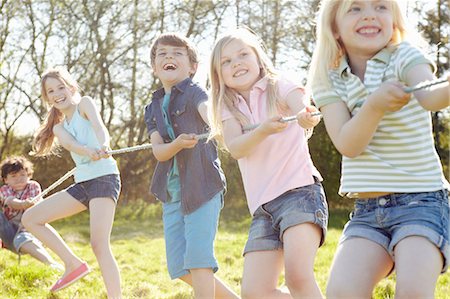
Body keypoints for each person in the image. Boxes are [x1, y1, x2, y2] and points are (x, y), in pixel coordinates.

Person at [308, 0, 450, 298]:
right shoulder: (329, 77)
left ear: (395, 21)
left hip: (422, 204)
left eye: (381, 6)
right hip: (368, 212)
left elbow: (431, 97)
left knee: (412, 291)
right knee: (341, 292)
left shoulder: (405, 56)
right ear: (334, 27)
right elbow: (349, 143)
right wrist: (373, 106)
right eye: (355, 8)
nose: (370, 14)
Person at [208, 27, 328, 299]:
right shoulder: (228, 105)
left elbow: (303, 106)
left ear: (258, 58)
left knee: (298, 277)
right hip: (263, 209)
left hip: (300, 194)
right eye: (226, 61)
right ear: (219, 75)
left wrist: (305, 115)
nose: (236, 62)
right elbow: (236, 147)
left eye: (242, 55)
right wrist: (263, 129)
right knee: (255, 293)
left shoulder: (277, 84)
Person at [144, 32, 238, 299]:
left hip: (202, 187)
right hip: (171, 193)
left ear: (192, 67)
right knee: (180, 267)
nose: (169, 57)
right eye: (162, 54)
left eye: (176, 53)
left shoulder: (195, 92)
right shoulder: (151, 107)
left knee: (198, 259)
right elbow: (159, 152)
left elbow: (207, 110)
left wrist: (219, 125)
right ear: (154, 67)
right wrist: (176, 145)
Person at [21, 67, 122, 298]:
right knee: (31, 218)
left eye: (60, 87)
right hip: (83, 183)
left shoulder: (84, 104)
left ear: (71, 87)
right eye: (51, 91)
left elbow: (99, 126)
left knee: (99, 245)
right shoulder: (59, 127)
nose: (57, 93)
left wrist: (104, 145)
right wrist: (87, 150)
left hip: (104, 178)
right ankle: (72, 263)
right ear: (47, 98)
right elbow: (72, 144)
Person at [0, 156, 63, 271]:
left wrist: (32, 204)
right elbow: (11, 202)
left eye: (23, 175)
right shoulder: (4, 189)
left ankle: (51, 264)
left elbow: (39, 208)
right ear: (5, 180)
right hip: (9, 231)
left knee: (22, 238)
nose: (19, 179)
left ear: (29, 176)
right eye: (13, 176)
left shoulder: (33, 186)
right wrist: (24, 204)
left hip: (27, 229)